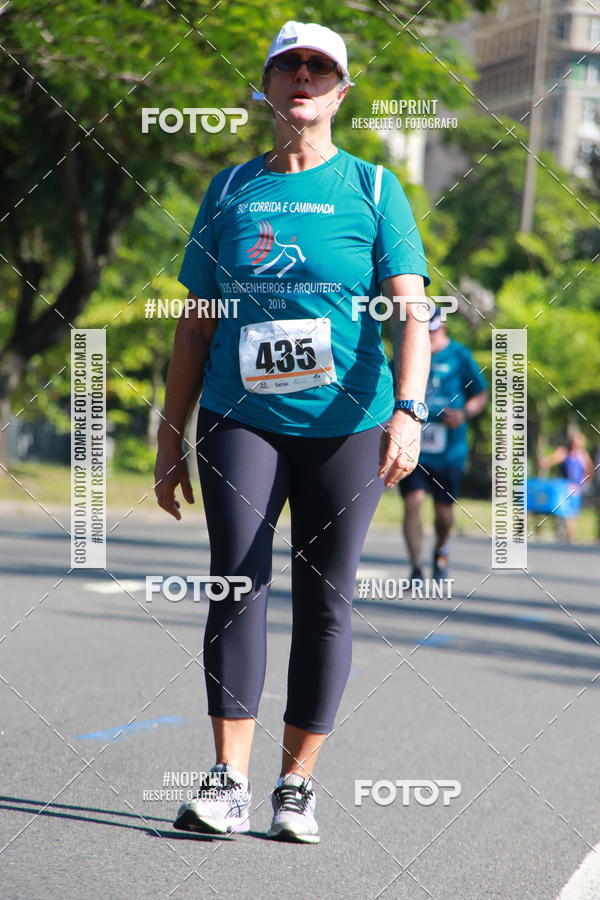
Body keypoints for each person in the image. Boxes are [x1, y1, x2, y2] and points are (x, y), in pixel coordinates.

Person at [154, 20, 431, 843]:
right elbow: (196, 324)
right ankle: (226, 781)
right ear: (268, 87)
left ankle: (296, 786)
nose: (303, 77)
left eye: (320, 68)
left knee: (326, 599)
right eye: (289, 66)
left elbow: (412, 313)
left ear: (341, 92)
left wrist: (409, 410)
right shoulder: (230, 190)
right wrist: (170, 437)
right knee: (236, 581)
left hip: (349, 423)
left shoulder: (375, 189)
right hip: (242, 415)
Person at [398, 308, 488, 584]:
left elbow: (480, 394)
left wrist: (464, 414)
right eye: (424, 332)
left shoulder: (460, 355)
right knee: (412, 502)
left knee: (443, 513)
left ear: (443, 328)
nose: (429, 337)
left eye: (433, 331)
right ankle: (416, 568)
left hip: (450, 451)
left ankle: (441, 549)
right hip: (414, 445)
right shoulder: (407, 351)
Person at [538, 431, 593, 542]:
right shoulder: (565, 452)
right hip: (564, 487)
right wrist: (545, 462)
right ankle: (564, 533)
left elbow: (589, 469)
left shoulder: (583, 455)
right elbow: (551, 460)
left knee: (572, 513)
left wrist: (585, 482)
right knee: (564, 510)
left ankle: (569, 536)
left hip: (576, 488)